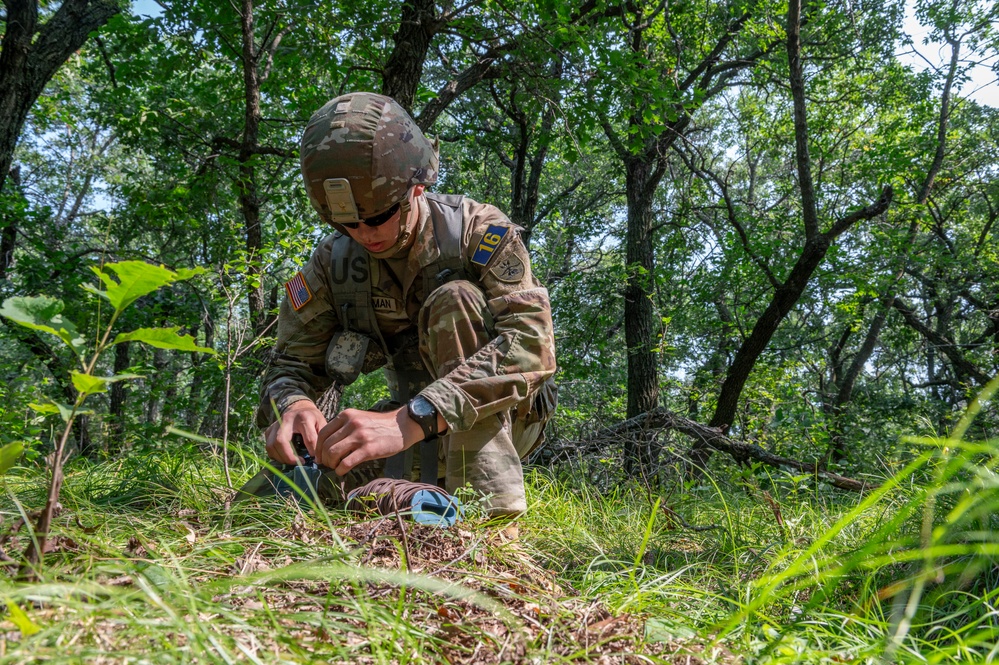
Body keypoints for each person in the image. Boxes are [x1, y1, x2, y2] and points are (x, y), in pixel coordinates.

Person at [242, 92, 557, 517]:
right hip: (405, 427)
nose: (364, 234)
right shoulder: (332, 265)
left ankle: (493, 527)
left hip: (503, 423)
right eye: (346, 223)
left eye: (377, 217)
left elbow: (530, 348)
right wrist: (294, 405)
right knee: (262, 507)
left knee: (455, 299)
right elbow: (288, 367)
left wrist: (413, 418)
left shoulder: (476, 232)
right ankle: (420, 498)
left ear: (418, 186)